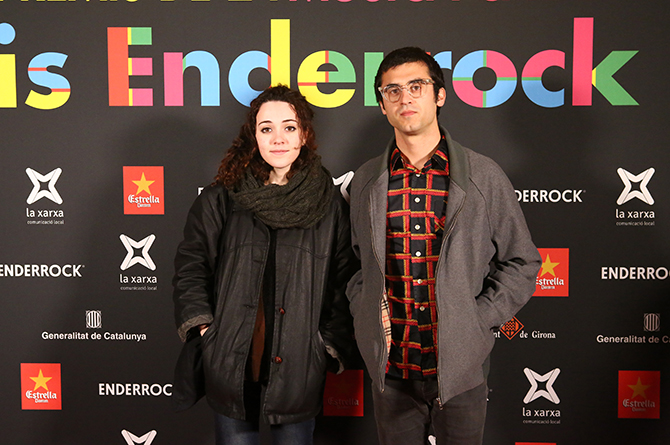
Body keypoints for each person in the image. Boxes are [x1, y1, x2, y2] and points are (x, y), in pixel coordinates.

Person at [346, 47, 542, 445]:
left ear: (439, 95)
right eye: (392, 90)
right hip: (392, 373)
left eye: (416, 86)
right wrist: (364, 311)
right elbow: (354, 264)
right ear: (382, 104)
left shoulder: (483, 176)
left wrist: (476, 321)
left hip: (460, 375)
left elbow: (522, 262)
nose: (405, 98)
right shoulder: (366, 181)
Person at [172, 85, 358, 445]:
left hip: (300, 365)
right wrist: (207, 330)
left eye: (289, 127)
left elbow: (345, 279)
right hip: (231, 359)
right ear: (253, 136)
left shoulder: (330, 204)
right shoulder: (222, 197)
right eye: (266, 128)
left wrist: (324, 346)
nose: (278, 138)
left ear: (304, 134)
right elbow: (191, 266)